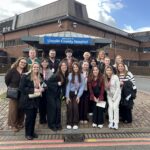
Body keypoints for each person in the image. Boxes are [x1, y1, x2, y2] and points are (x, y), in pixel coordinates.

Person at [19, 62, 44, 140]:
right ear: (31, 68)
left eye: (37, 67)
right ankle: (27, 134)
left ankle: (32, 132)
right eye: (34, 67)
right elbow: (22, 88)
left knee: (34, 117)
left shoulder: (39, 76)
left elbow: (42, 85)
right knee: (29, 117)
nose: (36, 69)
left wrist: (43, 88)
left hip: (36, 100)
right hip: (28, 100)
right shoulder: (25, 76)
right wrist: (34, 90)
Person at [5, 57, 28, 132]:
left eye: (24, 63)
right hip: (14, 92)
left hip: (23, 93)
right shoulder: (12, 70)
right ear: (18, 62)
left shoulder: (26, 71)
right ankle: (13, 125)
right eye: (22, 62)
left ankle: (20, 122)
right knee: (13, 109)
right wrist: (11, 86)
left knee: (21, 108)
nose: (23, 64)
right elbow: (7, 80)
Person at [46, 61, 68, 131]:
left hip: (58, 95)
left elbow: (64, 86)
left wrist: (64, 95)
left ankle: (58, 124)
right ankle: (51, 125)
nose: (64, 67)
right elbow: (47, 83)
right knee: (53, 109)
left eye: (65, 66)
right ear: (60, 67)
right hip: (51, 94)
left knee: (58, 108)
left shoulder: (65, 74)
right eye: (62, 66)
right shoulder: (56, 75)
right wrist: (56, 84)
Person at [66, 62, 85, 130]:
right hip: (70, 93)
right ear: (72, 68)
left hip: (76, 94)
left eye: (76, 67)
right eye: (74, 67)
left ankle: (75, 123)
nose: (75, 68)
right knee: (70, 107)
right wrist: (67, 97)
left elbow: (82, 87)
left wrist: (78, 96)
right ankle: (69, 122)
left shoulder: (82, 76)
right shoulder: (70, 75)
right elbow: (67, 86)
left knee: (75, 107)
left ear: (79, 68)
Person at [39, 58, 53, 124]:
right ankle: (42, 119)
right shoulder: (38, 70)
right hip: (40, 90)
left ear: (48, 63)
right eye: (43, 62)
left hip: (47, 90)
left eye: (46, 62)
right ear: (41, 63)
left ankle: (48, 118)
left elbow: (51, 81)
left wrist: (46, 85)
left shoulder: (50, 71)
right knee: (41, 105)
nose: (44, 63)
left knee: (47, 105)